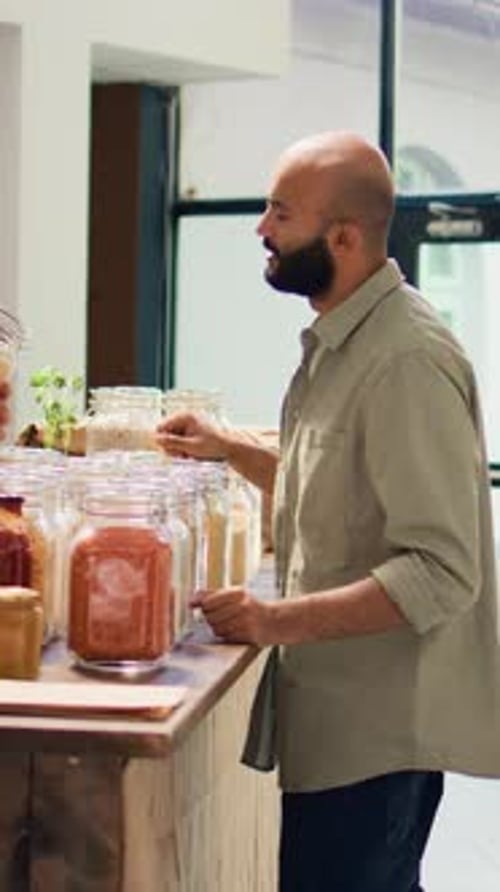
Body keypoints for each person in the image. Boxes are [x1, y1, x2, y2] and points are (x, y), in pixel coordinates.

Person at [157, 131, 500, 891]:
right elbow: (342, 484)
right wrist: (230, 449)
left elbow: (443, 572)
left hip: (379, 739)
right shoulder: (352, 339)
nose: (261, 230)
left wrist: (273, 620)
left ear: (342, 237)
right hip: (347, 730)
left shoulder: (404, 360)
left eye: (281, 213)